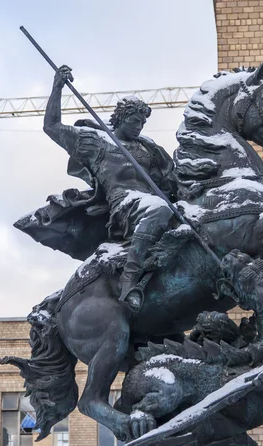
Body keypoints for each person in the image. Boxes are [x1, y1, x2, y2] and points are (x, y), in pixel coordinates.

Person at [43, 65, 176, 313]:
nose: (139, 127)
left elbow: (173, 178)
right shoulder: (96, 143)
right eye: (134, 121)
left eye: (142, 123)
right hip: (124, 207)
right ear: (120, 119)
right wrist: (57, 87)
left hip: (152, 202)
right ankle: (129, 279)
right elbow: (51, 127)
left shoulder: (147, 148)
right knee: (159, 210)